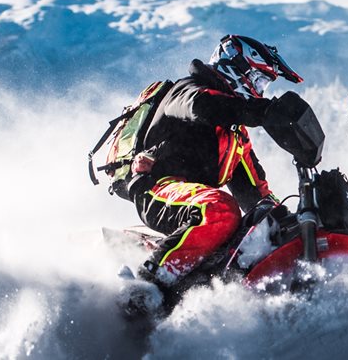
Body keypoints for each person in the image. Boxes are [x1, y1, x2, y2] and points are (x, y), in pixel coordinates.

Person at [125, 35, 303, 306]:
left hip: (192, 200)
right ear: (235, 70)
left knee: (256, 228)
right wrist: (264, 111)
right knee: (220, 208)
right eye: (258, 81)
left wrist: (291, 222)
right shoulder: (187, 90)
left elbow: (255, 194)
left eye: (264, 85)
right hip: (156, 187)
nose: (260, 91)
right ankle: (147, 287)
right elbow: (202, 106)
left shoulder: (234, 137)